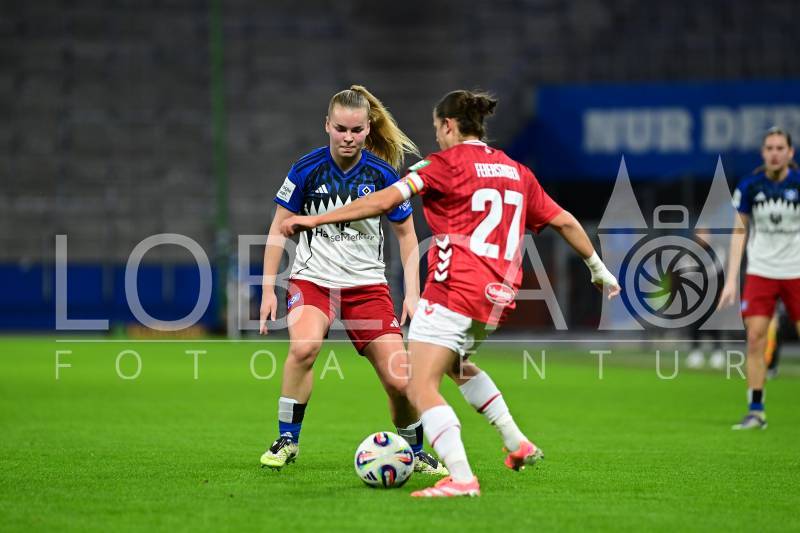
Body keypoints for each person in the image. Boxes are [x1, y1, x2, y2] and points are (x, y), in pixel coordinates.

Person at [280, 89, 620, 497]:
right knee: (456, 365)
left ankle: (461, 478)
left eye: (437, 128)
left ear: (448, 125)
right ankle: (516, 441)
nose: (437, 137)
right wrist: (598, 269)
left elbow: (384, 201)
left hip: (453, 290)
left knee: (418, 386)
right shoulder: (516, 171)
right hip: (497, 297)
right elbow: (563, 221)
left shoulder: (443, 165)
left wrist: (313, 219)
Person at [258, 85, 447, 476]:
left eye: (356, 130)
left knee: (400, 380)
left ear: (367, 129)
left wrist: (413, 293)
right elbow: (278, 228)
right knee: (303, 349)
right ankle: (287, 440)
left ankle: (416, 451)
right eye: (341, 129)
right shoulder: (305, 169)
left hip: (367, 288)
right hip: (313, 282)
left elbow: (407, 236)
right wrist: (267, 289)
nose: (348, 137)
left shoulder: (382, 174)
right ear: (327, 125)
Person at [719, 126, 800, 430]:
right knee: (754, 339)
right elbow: (738, 232)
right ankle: (756, 410)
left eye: (780, 148)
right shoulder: (750, 185)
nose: (775, 153)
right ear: (762, 152)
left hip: (796, 271)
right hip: (761, 271)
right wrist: (731, 280)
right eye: (769, 148)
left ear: (790, 152)